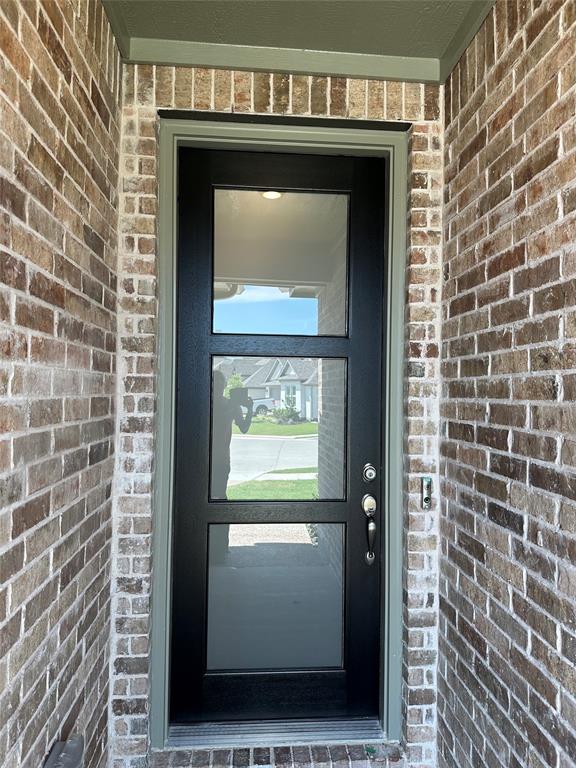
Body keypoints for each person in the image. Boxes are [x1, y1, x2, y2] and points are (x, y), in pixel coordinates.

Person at [211, 369, 253, 499]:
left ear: (225, 385)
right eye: (215, 382)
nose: (218, 386)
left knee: (219, 495)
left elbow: (244, 428)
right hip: (205, 458)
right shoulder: (205, 404)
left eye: (220, 382)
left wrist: (250, 409)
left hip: (221, 459)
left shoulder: (232, 405)